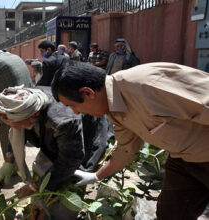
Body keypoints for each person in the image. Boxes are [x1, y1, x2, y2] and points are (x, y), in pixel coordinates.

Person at [51, 61, 209, 220]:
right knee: (171, 214)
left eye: (72, 105)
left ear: (87, 93)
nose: (76, 112)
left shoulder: (149, 85)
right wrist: (96, 176)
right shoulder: (115, 109)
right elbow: (126, 150)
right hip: (183, 159)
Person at [0, 86, 112, 219]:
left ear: (35, 114)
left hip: (83, 143)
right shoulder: (25, 101)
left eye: (16, 124)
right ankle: (37, 211)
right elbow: (15, 132)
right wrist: (9, 161)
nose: (14, 127)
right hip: (56, 139)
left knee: (67, 190)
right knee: (41, 171)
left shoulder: (62, 122)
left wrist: (36, 187)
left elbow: (70, 160)